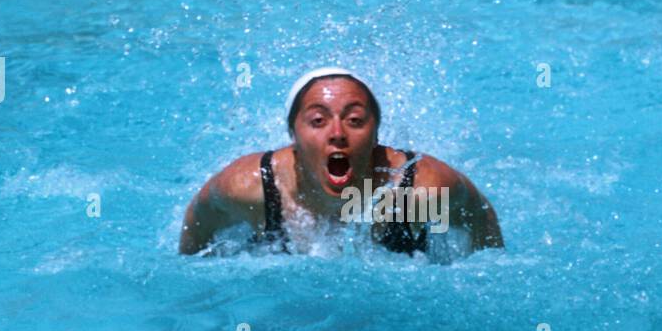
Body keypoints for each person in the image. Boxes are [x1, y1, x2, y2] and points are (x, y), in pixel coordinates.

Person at [180, 68, 503, 257]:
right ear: (293, 134)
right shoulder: (251, 187)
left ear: (376, 133)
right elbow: (198, 222)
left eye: (355, 120)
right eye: (318, 121)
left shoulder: (419, 190)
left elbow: (479, 216)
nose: (337, 133)